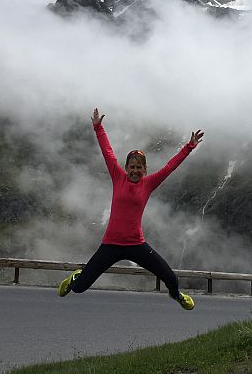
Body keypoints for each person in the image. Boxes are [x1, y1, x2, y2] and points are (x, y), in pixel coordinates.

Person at [58, 107, 203, 310]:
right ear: (126, 168)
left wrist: (189, 147)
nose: (135, 171)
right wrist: (98, 127)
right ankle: (76, 278)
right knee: (80, 288)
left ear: (145, 170)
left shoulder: (149, 183)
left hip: (136, 245)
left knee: (170, 277)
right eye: (132, 167)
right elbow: (107, 153)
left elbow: (171, 166)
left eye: (139, 168)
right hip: (110, 245)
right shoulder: (118, 177)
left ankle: (176, 295)